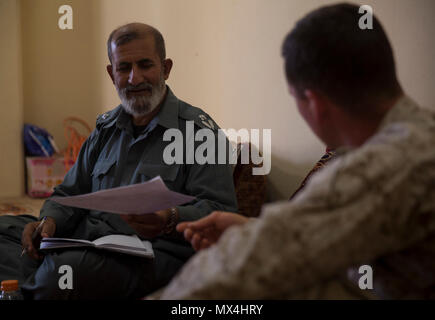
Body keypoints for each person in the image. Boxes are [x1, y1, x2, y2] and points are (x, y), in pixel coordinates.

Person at [159, 3, 435, 299]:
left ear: (314, 103)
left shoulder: (380, 166)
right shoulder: (421, 132)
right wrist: (251, 229)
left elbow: (244, 267)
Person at [0, 23, 237, 299]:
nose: (135, 79)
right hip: (87, 239)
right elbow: (68, 192)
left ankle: (25, 289)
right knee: (8, 230)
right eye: (124, 68)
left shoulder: (199, 133)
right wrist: (50, 221)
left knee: (65, 270)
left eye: (145, 65)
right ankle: (29, 285)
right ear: (112, 74)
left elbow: (222, 211)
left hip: (152, 253)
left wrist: (170, 218)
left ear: (166, 68)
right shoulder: (105, 128)